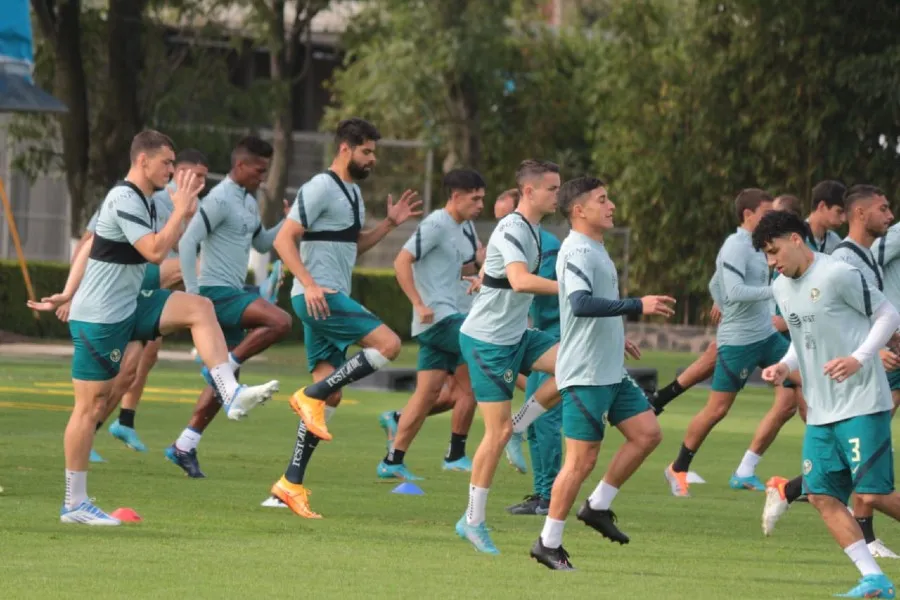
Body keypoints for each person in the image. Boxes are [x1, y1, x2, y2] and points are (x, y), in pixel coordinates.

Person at [28, 130, 277, 525]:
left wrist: (66, 290)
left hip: (131, 304)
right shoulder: (123, 198)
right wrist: (180, 210)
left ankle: (230, 393)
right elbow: (155, 251)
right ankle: (74, 504)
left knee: (200, 307)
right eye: (167, 163)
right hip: (100, 316)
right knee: (90, 406)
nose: (172, 170)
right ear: (143, 161)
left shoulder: (145, 199)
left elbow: (94, 245)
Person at [264, 118, 422, 518]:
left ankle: (288, 485)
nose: (372, 159)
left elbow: (352, 247)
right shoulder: (320, 186)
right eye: (366, 151)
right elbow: (283, 238)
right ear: (345, 149)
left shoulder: (352, 192)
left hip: (329, 298)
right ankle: (309, 395)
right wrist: (309, 284)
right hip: (320, 297)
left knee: (330, 395)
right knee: (389, 344)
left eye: (373, 152)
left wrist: (389, 225)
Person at [530, 176, 674, 570]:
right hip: (586, 374)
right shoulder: (577, 250)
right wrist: (637, 304)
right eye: (602, 200)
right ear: (579, 210)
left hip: (609, 369)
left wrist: (616, 335)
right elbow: (579, 303)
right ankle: (547, 543)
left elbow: (593, 306)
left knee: (647, 434)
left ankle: (597, 506)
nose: (611, 206)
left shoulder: (596, 246)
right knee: (580, 462)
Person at [756, 209, 899, 598]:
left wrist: (859, 358)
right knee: (821, 495)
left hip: (861, 401)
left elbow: (888, 314)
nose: (771, 262)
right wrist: (784, 367)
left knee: (873, 494)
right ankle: (875, 580)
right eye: (766, 255)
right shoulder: (781, 287)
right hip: (821, 411)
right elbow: (801, 340)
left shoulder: (837, 273)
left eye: (773, 251)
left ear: (796, 240)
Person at [454, 160, 565, 554]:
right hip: (488, 342)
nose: (558, 195)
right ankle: (472, 521)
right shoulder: (512, 228)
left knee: (576, 368)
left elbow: (498, 270)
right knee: (495, 434)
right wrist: (570, 287)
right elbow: (519, 280)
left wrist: (484, 277)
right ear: (529, 192)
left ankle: (521, 425)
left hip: (517, 335)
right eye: (552, 188)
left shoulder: (532, 230)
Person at [164, 137, 292, 478]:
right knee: (280, 322)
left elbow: (262, 243)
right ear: (240, 166)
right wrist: (194, 296)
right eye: (259, 170)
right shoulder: (219, 199)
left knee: (227, 382)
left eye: (266, 171)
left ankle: (184, 446)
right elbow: (188, 242)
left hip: (232, 292)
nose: (262, 177)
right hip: (215, 294)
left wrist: (289, 222)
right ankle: (226, 365)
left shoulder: (248, 201)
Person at [664, 189, 795, 496]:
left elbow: (715, 283)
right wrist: (772, 293)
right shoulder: (735, 246)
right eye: (766, 213)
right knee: (717, 409)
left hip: (767, 336)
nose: (772, 219)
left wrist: (723, 304)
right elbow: (733, 291)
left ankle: (814, 474)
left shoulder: (758, 245)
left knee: (800, 388)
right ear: (748, 215)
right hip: (738, 343)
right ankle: (678, 467)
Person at [374, 169, 485, 481]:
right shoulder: (436, 224)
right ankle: (458, 454)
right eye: (475, 199)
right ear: (456, 197)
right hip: (440, 318)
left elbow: (462, 264)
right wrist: (418, 303)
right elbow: (401, 261)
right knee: (477, 370)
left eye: (482, 198)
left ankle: (392, 461)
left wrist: (479, 271)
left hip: (445, 318)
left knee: (427, 395)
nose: (480, 205)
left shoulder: (466, 226)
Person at [500, 186, 564, 516]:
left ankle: (551, 496)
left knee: (546, 418)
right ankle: (542, 494)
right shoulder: (518, 241)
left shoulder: (547, 245)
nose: (502, 228)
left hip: (562, 338)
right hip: (542, 336)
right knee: (535, 417)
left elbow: (533, 286)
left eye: (505, 218)